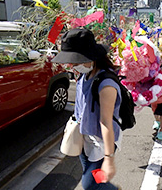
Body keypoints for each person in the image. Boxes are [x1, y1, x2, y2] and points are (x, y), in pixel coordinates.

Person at [52, 29, 121, 189]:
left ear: (91, 57)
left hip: (101, 142)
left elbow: (106, 122)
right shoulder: (86, 75)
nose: (73, 66)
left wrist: (109, 159)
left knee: (89, 183)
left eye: (75, 62)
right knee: (95, 177)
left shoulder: (106, 84)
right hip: (85, 137)